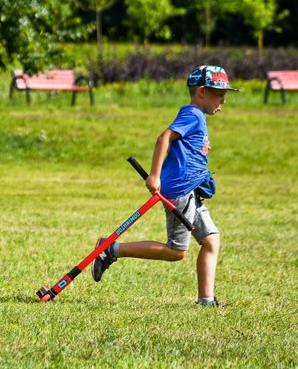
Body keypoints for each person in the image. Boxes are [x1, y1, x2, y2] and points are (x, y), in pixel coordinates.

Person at [92, 65, 238, 307]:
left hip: (191, 191)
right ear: (202, 91)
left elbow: (186, 148)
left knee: (211, 240)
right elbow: (164, 138)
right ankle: (110, 249)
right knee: (176, 251)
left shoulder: (197, 117)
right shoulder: (192, 114)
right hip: (179, 191)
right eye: (219, 95)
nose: (223, 101)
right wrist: (155, 176)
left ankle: (206, 300)